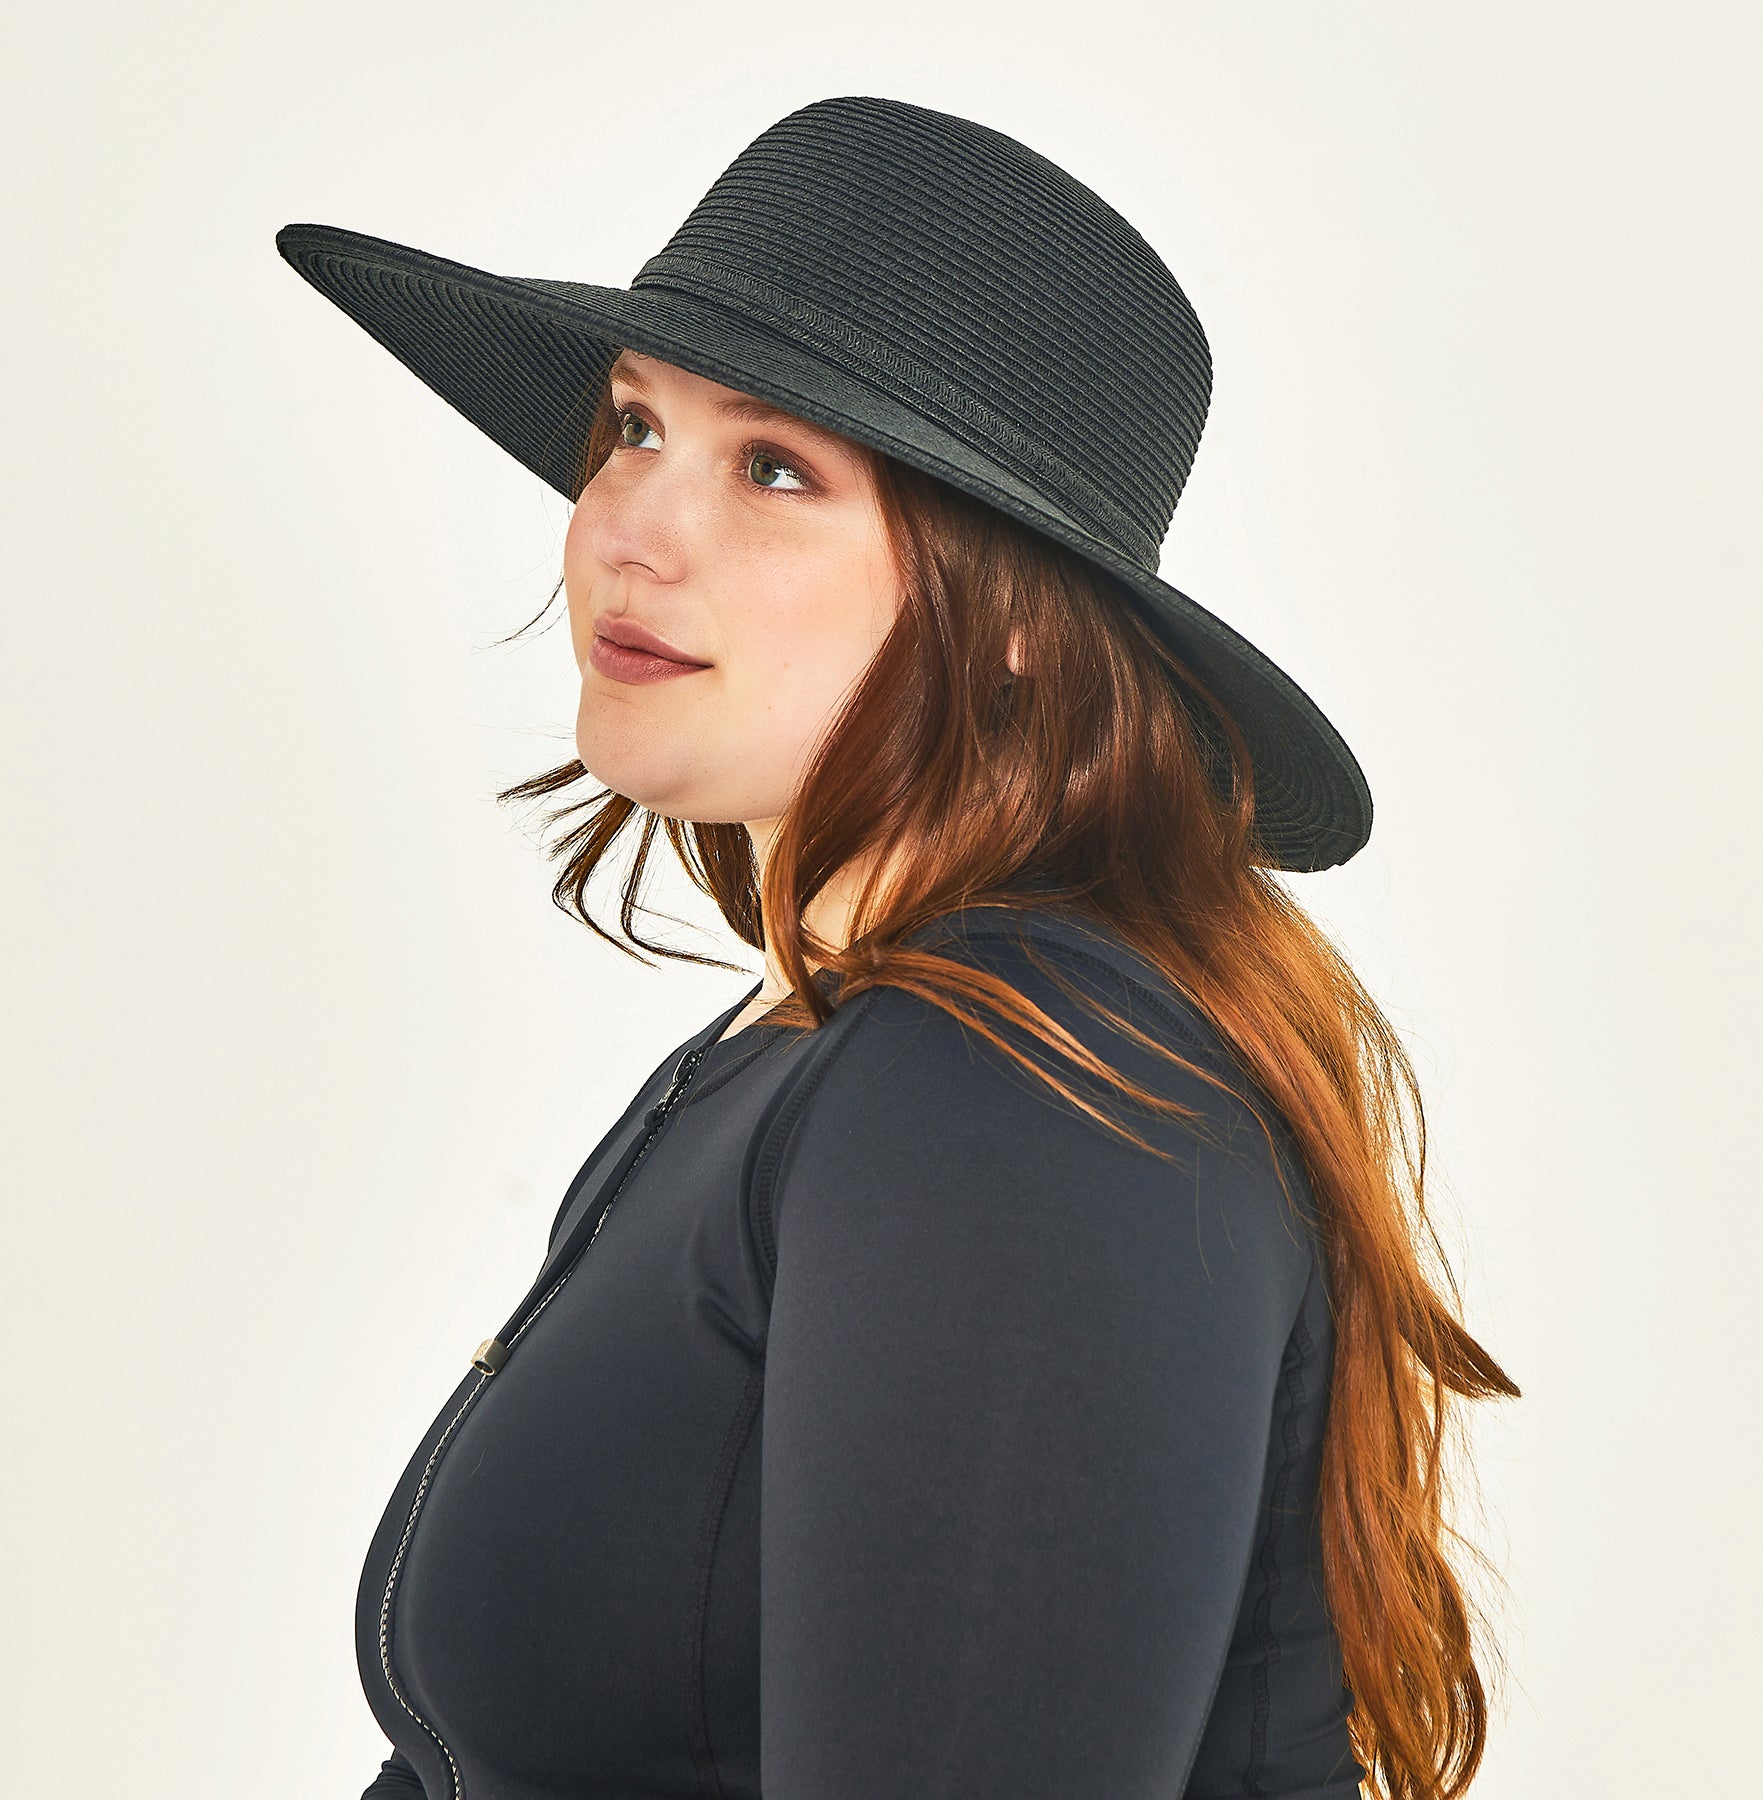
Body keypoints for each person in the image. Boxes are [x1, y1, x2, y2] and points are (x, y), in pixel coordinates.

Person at [276, 94, 1517, 1800]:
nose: (627, 528)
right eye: (634, 427)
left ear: (1013, 620)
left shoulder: (1017, 1102)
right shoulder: (815, 1053)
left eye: (775, 469)